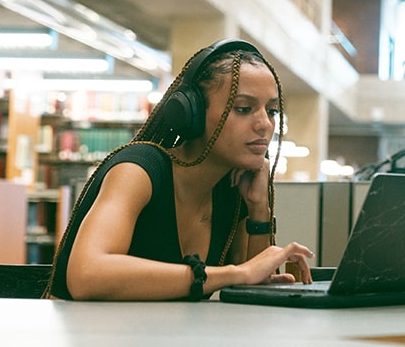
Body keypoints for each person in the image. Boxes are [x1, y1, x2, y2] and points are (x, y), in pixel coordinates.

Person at [44, 38, 314, 301]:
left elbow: (253, 289)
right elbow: (86, 276)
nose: (264, 124)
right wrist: (235, 273)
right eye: (243, 108)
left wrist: (259, 209)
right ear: (191, 113)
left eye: (272, 111)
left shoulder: (232, 189)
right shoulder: (139, 169)